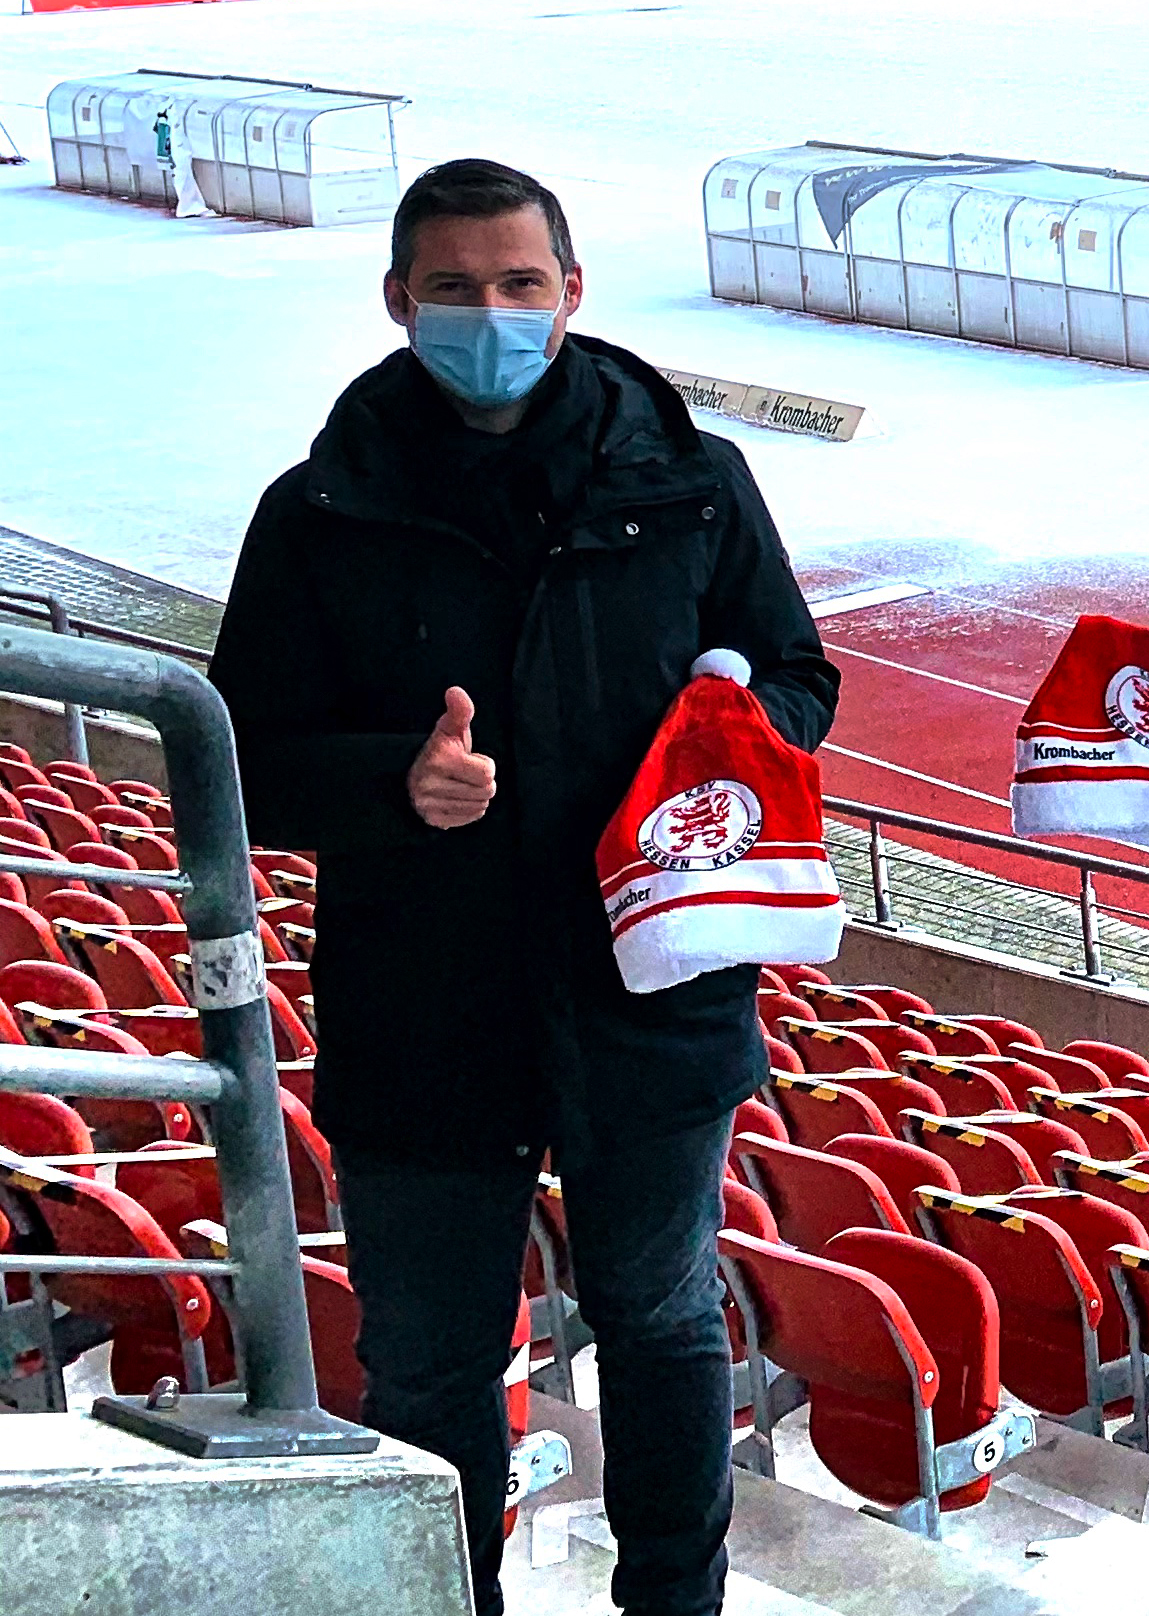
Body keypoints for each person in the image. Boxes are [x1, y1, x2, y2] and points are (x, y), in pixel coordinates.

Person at [212, 158, 834, 1616]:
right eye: (452, 288)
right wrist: (392, 785)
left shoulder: (690, 482)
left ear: (570, 294)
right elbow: (238, 747)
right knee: (429, 1359)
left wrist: (739, 720)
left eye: (516, 284)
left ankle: (676, 1600)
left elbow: (799, 669)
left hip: (652, 992)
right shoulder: (317, 511)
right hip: (423, 1007)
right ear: (396, 302)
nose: (486, 312)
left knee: (665, 1321)